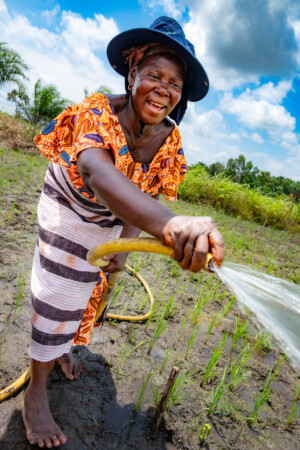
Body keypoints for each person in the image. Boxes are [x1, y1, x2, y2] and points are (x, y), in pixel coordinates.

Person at [22, 16, 224, 448]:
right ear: (132, 73)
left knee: (93, 289)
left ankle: (61, 347)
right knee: (58, 289)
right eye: (154, 74)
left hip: (115, 214)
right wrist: (171, 224)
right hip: (70, 200)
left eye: (174, 83)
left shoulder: (170, 141)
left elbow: (142, 188)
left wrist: (125, 249)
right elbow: (97, 171)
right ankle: (35, 391)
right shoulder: (97, 110)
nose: (163, 89)